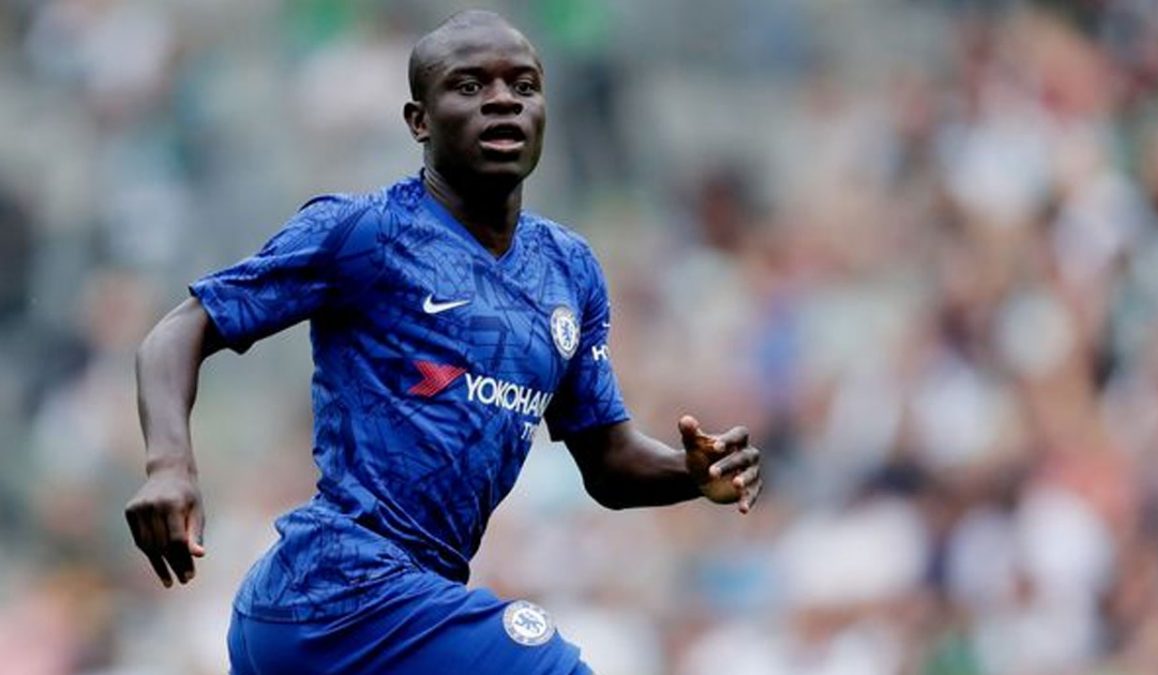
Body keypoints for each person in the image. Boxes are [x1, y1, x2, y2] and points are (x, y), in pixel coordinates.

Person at [124, 10, 762, 674]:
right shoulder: (365, 232)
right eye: (469, 86)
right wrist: (169, 465)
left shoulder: (568, 270)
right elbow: (181, 329)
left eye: (523, 85)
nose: (502, 102)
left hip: (408, 611)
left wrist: (691, 474)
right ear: (418, 120)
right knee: (548, 664)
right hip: (332, 591)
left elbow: (607, 460)